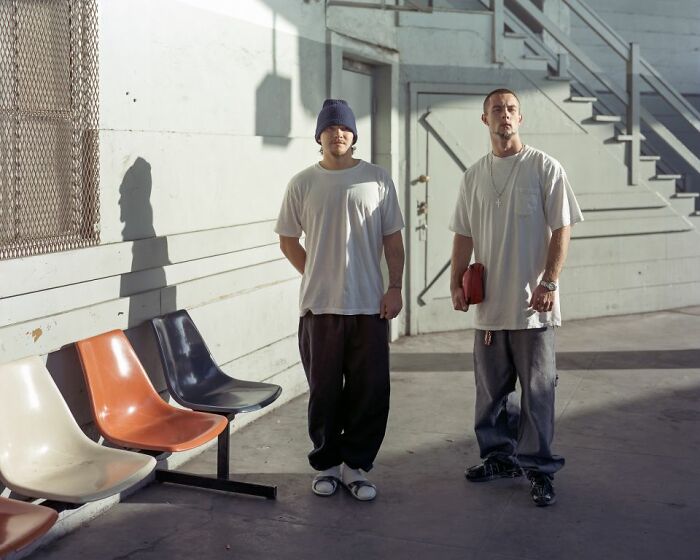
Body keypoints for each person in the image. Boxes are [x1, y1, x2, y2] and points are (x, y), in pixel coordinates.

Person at [449, 88, 583, 507]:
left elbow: (562, 229)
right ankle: (498, 458)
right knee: (490, 394)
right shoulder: (473, 175)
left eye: (510, 109)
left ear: (520, 119)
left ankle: (540, 471)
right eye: (496, 110)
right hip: (489, 307)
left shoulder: (544, 167)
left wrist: (550, 282)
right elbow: (463, 233)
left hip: (533, 308)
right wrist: (456, 282)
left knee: (538, 394)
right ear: (484, 119)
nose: (504, 115)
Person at [275, 99, 405, 501]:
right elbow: (287, 239)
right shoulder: (303, 183)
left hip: (369, 307)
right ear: (319, 136)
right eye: (330, 129)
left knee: (370, 392)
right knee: (324, 392)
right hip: (320, 309)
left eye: (344, 128)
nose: (338, 134)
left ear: (353, 134)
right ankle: (327, 466)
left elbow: (392, 240)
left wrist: (395, 286)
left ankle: (357, 468)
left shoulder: (377, 178)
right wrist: (316, 274)